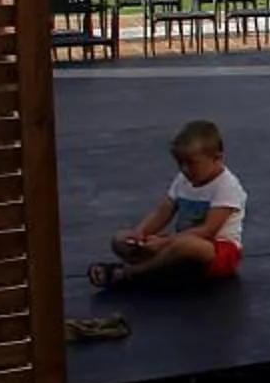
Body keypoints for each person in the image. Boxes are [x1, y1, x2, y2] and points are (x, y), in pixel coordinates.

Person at [92, 119, 246, 288]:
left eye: (192, 164)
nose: (185, 169)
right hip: (180, 245)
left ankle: (130, 273)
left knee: (185, 245)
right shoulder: (183, 180)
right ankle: (161, 269)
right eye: (180, 163)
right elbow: (163, 211)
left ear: (217, 158)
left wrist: (165, 242)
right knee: (120, 239)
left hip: (218, 252)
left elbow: (208, 230)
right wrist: (141, 233)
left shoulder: (227, 186)